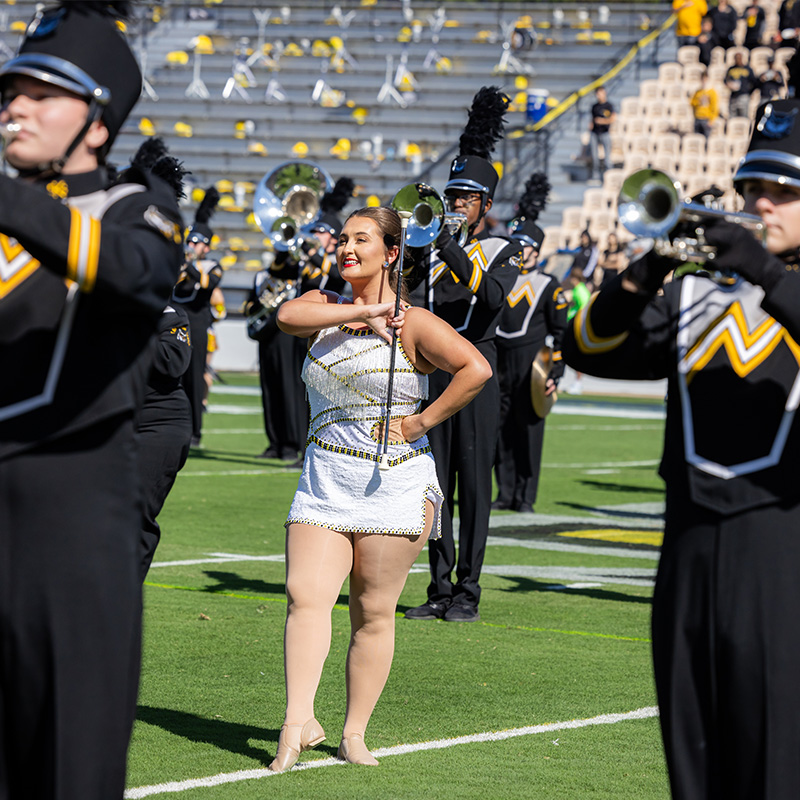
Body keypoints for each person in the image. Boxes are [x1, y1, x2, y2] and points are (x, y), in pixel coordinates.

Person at [562, 89, 800, 797]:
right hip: (689, 547)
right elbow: (588, 347)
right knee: (695, 763)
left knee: (778, 763)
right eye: (751, 187)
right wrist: (648, 269)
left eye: (782, 190)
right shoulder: (695, 293)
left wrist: (765, 272)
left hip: (784, 547)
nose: (759, 203)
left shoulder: (776, 283)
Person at [0, 3, 184, 799]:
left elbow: (132, 272)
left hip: (70, 547)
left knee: (68, 777)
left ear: (99, 123)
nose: (16, 106)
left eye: (45, 94)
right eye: (12, 91)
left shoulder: (136, 209)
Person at [270, 206, 491, 771]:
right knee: (304, 595)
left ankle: (353, 733)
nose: (346, 247)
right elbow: (285, 316)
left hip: (394, 484)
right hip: (323, 480)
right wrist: (369, 309)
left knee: (372, 611)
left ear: (392, 252)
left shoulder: (414, 323)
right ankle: (296, 722)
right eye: (342, 238)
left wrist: (418, 424)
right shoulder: (323, 305)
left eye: (360, 239)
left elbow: (475, 369)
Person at [404, 87, 522, 623]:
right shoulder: (426, 252)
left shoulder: (505, 249)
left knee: (474, 486)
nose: (455, 204)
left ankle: (468, 590)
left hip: (478, 373)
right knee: (435, 484)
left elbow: (493, 298)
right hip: (432, 376)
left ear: (486, 205)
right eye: (452, 195)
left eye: (467, 198)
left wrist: (448, 247)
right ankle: (437, 585)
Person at [246, 177, 351, 462]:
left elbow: (334, 278)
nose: (315, 235)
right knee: (286, 388)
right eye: (314, 230)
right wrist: (289, 247)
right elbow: (279, 271)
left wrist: (313, 252)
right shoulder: (303, 259)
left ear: (333, 236)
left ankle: (310, 448)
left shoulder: (337, 260)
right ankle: (285, 443)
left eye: (321, 232)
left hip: (327, 335)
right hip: (301, 332)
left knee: (314, 395)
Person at [493, 174, 567, 513]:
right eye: (516, 246)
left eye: (525, 247)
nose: (520, 252)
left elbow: (561, 332)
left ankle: (525, 496)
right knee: (501, 429)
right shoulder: (501, 280)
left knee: (529, 432)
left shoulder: (549, 285)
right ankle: (505, 491)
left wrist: (557, 370)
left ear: (537, 250)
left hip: (533, 365)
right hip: (499, 362)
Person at [172, 186, 223, 448]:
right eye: (190, 241)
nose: (191, 245)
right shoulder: (180, 264)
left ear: (206, 245)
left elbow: (206, 284)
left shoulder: (212, 265)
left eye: (196, 242)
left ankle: (195, 432)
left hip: (198, 324)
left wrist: (188, 263)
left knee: (194, 377)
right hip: (175, 323)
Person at [589, 85, 615, 183]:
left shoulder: (609, 106)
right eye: (598, 93)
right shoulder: (594, 106)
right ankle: (596, 176)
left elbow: (612, 119)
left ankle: (609, 176)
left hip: (605, 133)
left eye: (601, 93)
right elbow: (592, 119)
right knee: (595, 156)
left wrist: (602, 121)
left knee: (607, 157)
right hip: (595, 133)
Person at [725, 50, 755, 118]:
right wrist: (729, 84)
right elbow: (725, 80)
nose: (737, 60)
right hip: (733, 96)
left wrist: (749, 92)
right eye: (736, 58)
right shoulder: (731, 69)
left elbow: (754, 82)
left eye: (739, 58)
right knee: (732, 117)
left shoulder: (747, 69)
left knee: (743, 117)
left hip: (743, 96)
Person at [691, 69, 719, 137]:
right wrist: (698, 101)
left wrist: (711, 120)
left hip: (706, 119)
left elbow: (714, 107)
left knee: (706, 140)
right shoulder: (698, 91)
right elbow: (692, 103)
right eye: (702, 79)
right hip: (697, 118)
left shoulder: (712, 92)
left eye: (705, 78)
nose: (704, 81)